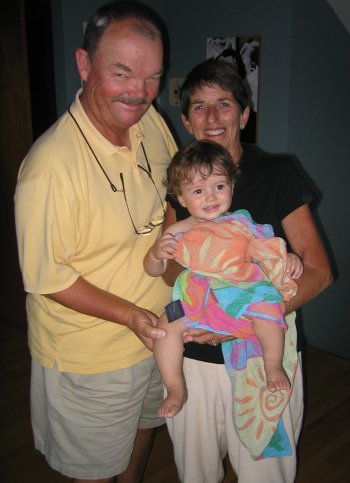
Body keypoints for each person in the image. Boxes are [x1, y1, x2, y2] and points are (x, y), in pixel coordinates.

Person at [14, 2, 177, 482]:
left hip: (158, 335)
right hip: (92, 357)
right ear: (84, 65)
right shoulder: (49, 169)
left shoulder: (149, 123)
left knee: (144, 431)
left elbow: (171, 199)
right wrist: (132, 316)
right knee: (91, 470)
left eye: (153, 77)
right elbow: (49, 279)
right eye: (123, 74)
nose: (140, 93)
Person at [162, 59, 333, 483]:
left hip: (264, 359)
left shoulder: (277, 173)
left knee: (266, 475)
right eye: (199, 107)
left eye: (224, 103)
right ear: (186, 120)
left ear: (244, 113)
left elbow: (319, 271)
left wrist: (240, 324)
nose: (213, 117)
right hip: (196, 362)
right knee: (196, 474)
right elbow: (168, 273)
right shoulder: (183, 184)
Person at [144, 139, 303, 426]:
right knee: (164, 325)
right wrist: (156, 254)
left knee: (268, 309)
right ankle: (176, 386)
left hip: (241, 295)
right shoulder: (180, 230)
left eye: (219, 186)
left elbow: (269, 253)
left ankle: (272, 364)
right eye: (197, 190)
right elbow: (154, 270)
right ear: (181, 199)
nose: (210, 197)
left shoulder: (243, 225)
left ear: (231, 185)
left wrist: (290, 259)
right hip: (197, 301)